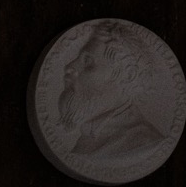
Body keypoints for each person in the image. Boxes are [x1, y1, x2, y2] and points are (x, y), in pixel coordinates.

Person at [56, 23, 166, 163]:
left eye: (88, 61)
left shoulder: (145, 143)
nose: (69, 66)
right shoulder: (88, 135)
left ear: (128, 75)